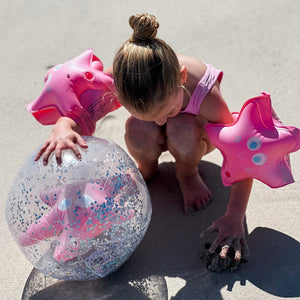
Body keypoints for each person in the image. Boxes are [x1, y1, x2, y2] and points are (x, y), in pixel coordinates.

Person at [35, 13, 252, 261]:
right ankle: (147, 167)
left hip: (195, 134)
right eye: (153, 117)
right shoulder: (121, 80)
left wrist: (235, 217)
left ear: (181, 77)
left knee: (180, 126)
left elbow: (240, 154)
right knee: (139, 129)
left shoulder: (205, 93)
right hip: (160, 120)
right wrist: (63, 127)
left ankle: (187, 172)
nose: (162, 122)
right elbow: (81, 112)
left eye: (167, 111)